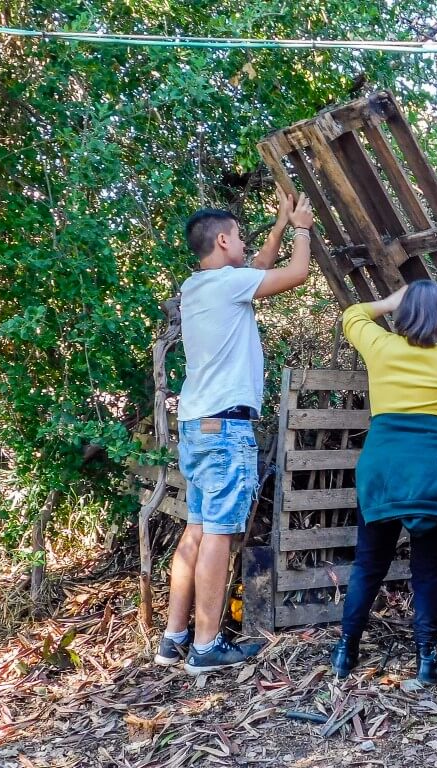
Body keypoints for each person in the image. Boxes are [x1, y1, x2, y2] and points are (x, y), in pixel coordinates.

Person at [156, 188, 315, 675]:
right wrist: (304, 229)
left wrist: (278, 228)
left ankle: (174, 637)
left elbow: (258, 268)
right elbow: (295, 274)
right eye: (240, 237)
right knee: (219, 536)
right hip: (224, 429)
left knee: (198, 528)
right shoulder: (227, 286)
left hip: (197, 424)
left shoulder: (198, 286)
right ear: (224, 241)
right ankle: (206, 648)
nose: (246, 243)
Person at [330, 280, 437, 684]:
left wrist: (388, 299)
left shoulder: (380, 347)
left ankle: (346, 652)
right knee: (429, 571)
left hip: (383, 470)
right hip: (432, 472)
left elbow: (352, 315)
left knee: (368, 565)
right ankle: (427, 660)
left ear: (403, 314)